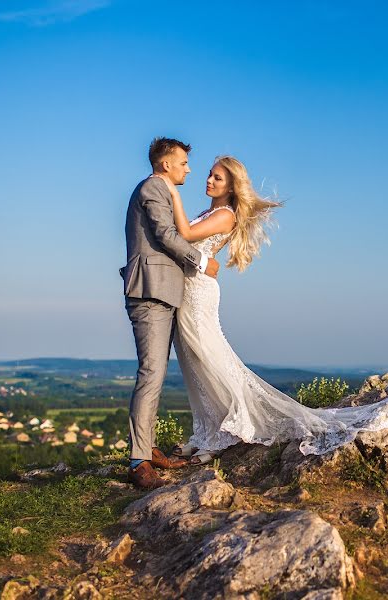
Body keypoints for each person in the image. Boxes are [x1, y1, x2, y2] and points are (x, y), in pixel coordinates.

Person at [162, 156, 388, 466]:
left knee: (211, 359)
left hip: (200, 293)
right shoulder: (211, 211)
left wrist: (171, 192)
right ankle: (206, 432)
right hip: (188, 292)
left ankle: (224, 435)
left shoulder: (225, 215)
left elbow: (186, 234)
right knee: (194, 364)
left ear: (231, 187)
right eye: (209, 175)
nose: (208, 180)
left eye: (217, 178)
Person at [120, 137, 221, 489]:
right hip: (150, 290)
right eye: (183, 163)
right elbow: (164, 234)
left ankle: (146, 448)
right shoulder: (152, 189)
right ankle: (138, 462)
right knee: (150, 372)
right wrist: (202, 261)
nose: (188, 169)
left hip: (163, 292)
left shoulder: (163, 191)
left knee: (157, 374)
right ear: (166, 164)